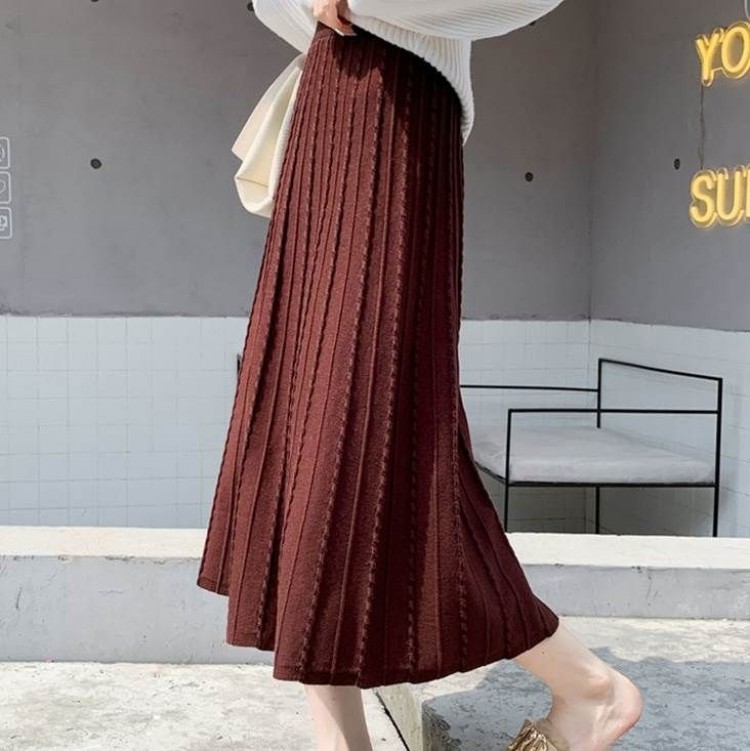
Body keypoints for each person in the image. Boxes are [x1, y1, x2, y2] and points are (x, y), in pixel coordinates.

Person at [197, 1, 644, 749]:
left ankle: (590, 687)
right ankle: (341, 741)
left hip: (396, 114)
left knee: (371, 431)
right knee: (305, 426)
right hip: (332, 110)